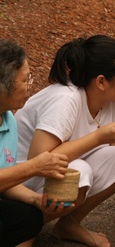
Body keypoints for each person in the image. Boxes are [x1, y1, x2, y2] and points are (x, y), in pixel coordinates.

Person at [16, 35, 115, 247]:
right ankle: (22, 233)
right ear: (101, 82)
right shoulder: (66, 99)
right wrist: (99, 136)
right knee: (79, 173)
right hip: (17, 181)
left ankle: (68, 225)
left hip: (49, 176)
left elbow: (107, 151)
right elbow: (38, 160)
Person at [0, 38, 70, 247]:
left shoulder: (8, 119)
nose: (30, 86)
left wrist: (36, 200)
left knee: (29, 217)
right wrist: (34, 167)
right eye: (26, 80)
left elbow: (5, 182)